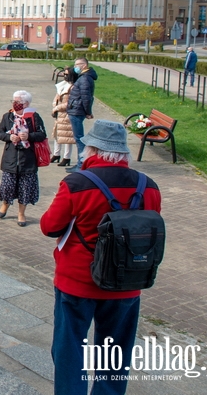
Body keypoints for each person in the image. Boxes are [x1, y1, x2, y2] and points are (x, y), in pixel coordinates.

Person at [41, 120, 162, 394]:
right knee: (116, 352)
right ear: (124, 153)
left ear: (92, 149)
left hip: (78, 281)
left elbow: (50, 226)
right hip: (127, 282)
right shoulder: (149, 186)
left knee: (70, 348)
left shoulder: (77, 183)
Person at [0, 90, 46, 227]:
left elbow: (42, 134)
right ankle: (5, 204)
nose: (15, 103)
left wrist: (29, 136)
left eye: (18, 101)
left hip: (27, 159)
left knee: (25, 188)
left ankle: (21, 213)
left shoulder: (34, 117)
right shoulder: (7, 116)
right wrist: (9, 137)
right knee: (7, 186)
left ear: (27, 104)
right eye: (13, 101)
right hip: (10, 158)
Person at [65, 58, 97, 172]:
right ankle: (80, 163)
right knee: (78, 138)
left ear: (84, 65)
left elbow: (86, 97)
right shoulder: (84, 77)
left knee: (79, 139)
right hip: (76, 109)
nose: (75, 67)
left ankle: (81, 164)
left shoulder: (85, 78)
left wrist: (88, 112)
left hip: (77, 110)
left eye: (77, 65)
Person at [50, 69, 76, 167]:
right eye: (64, 74)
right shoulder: (62, 85)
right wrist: (54, 107)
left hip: (67, 114)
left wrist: (57, 108)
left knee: (67, 136)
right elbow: (56, 97)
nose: (64, 75)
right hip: (59, 113)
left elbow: (69, 103)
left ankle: (67, 157)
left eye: (66, 74)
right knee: (57, 133)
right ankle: (56, 154)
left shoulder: (73, 87)